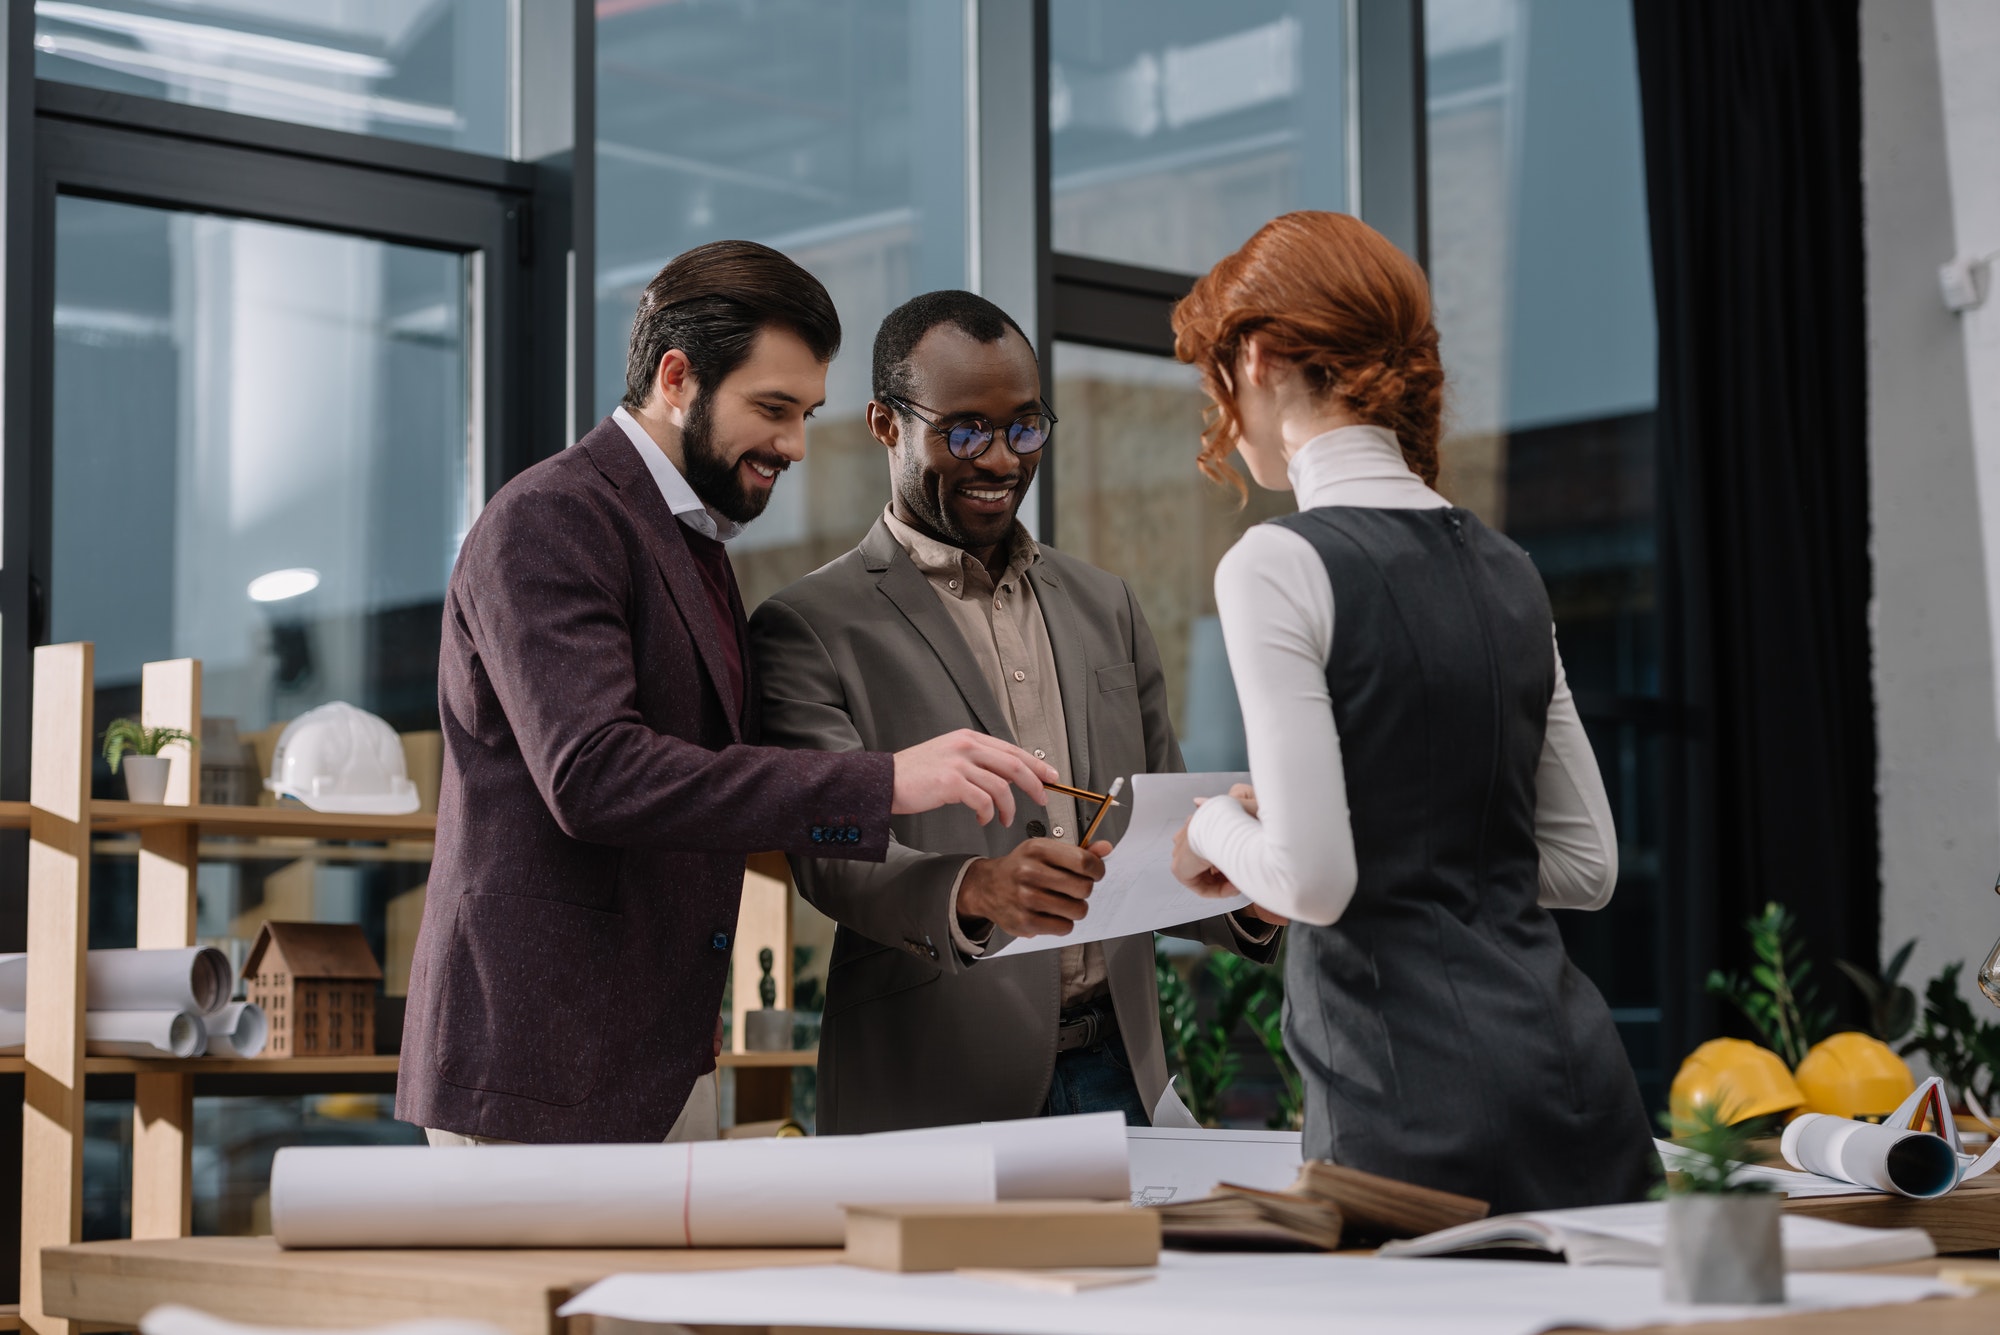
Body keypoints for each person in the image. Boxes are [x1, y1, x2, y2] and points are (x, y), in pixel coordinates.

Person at [397, 244, 1056, 1146]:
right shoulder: (551, 518)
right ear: (677, 378)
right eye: (772, 409)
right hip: (537, 1067)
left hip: (653, 1062)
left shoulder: (691, 541)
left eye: (807, 413)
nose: (792, 445)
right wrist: (882, 783)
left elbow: (722, 781)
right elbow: (594, 774)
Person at [1167, 212, 1654, 1212]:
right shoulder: (1508, 570)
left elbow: (1314, 881)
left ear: (1254, 358)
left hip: (1403, 1112)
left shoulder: (1275, 563)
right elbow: (1584, 868)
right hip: (1574, 1089)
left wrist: (1215, 824)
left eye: (1214, 377)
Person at [748, 290, 1282, 1134]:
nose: (1000, 460)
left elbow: (1166, 823)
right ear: (886, 425)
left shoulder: (1106, 604)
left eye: (1025, 428)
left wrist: (1247, 897)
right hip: (934, 1083)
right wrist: (978, 888)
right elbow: (830, 855)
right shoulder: (808, 625)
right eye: (964, 432)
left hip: (1123, 1071)